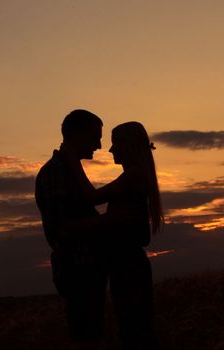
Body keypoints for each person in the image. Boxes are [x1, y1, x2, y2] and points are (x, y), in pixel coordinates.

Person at [63, 121, 164, 349]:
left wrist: (72, 162)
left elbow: (92, 197)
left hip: (128, 267)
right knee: (135, 330)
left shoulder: (134, 176)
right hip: (126, 266)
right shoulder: (135, 176)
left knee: (135, 333)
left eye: (115, 144)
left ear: (127, 146)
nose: (110, 150)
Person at [36, 109, 116, 349]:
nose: (99, 145)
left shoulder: (67, 170)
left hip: (87, 268)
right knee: (85, 338)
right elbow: (61, 229)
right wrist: (109, 221)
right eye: (95, 137)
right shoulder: (55, 172)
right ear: (77, 135)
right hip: (77, 269)